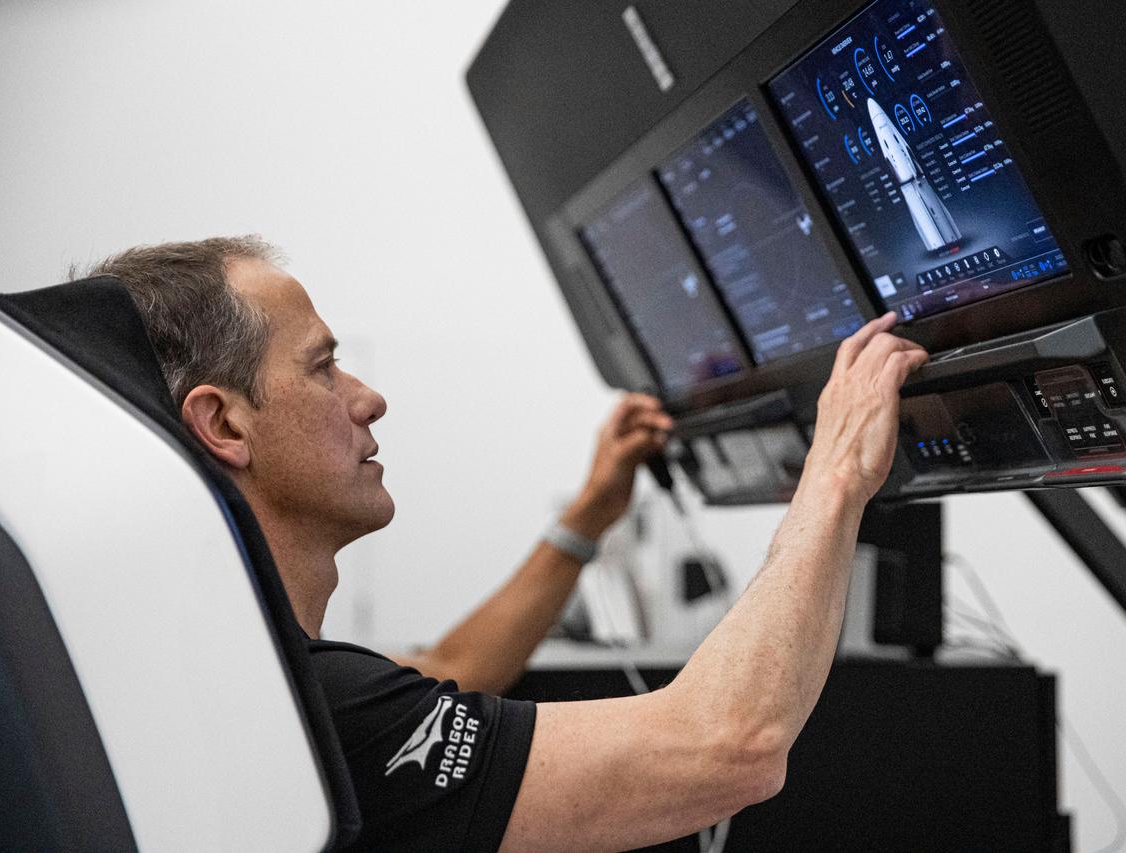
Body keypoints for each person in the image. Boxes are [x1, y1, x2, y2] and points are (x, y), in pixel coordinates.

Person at [88, 235, 928, 852]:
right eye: (322, 368)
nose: (368, 398)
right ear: (223, 421)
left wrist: (587, 519)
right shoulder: (306, 706)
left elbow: (451, 664)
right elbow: (727, 746)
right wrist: (838, 470)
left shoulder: (238, 676)